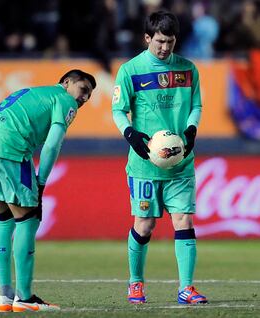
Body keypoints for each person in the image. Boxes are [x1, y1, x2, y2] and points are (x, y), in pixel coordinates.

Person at [0, 70, 96, 312]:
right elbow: (52, 144)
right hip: (11, 148)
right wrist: (40, 182)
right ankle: (25, 297)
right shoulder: (64, 100)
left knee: (3, 220)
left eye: (89, 96)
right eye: (83, 89)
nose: (84, 98)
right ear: (66, 83)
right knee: (27, 219)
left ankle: (5, 296)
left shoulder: (33, 92)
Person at [112, 11, 208, 304]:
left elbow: (196, 105)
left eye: (170, 41)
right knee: (144, 224)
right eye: (160, 41)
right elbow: (118, 110)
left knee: (184, 220)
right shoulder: (130, 70)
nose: (165, 47)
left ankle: (186, 288)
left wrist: (191, 130)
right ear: (147, 38)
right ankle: (135, 283)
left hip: (180, 163)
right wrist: (130, 134)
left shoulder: (188, 69)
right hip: (144, 164)